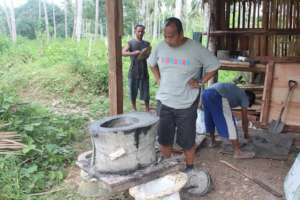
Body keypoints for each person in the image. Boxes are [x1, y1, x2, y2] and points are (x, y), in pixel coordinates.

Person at [147, 17, 220, 172]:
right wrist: (159, 79)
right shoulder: (160, 47)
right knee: (164, 137)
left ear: (180, 33)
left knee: (187, 140)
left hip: (186, 103)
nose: (167, 39)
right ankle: (166, 167)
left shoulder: (196, 48)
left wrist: (200, 81)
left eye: (171, 36)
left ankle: (190, 168)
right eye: (165, 36)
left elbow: (214, 65)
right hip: (164, 101)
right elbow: (151, 63)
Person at [202, 82, 256, 159]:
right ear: (249, 98)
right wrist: (246, 134)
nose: (246, 105)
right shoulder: (245, 97)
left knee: (210, 118)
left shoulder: (237, 92)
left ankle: (212, 142)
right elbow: (244, 119)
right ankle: (238, 152)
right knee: (230, 122)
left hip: (205, 93)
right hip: (217, 94)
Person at [122, 24, 151, 112]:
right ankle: (134, 108)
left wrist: (144, 53)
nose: (140, 33)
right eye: (139, 31)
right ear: (135, 31)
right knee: (133, 91)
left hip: (144, 71)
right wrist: (134, 53)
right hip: (133, 71)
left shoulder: (146, 43)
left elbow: (148, 55)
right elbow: (123, 53)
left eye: (142, 31)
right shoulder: (130, 43)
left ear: (144, 32)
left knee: (146, 92)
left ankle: (147, 109)